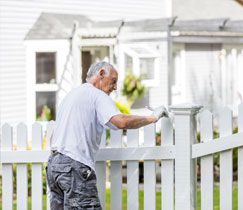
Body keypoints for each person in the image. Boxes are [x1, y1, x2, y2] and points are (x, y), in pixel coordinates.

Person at [46, 61, 168, 209]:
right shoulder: (97, 95)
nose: (115, 87)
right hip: (74, 166)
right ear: (101, 74)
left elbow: (109, 122)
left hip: (54, 166)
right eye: (114, 81)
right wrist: (153, 118)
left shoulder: (73, 94)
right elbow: (120, 122)